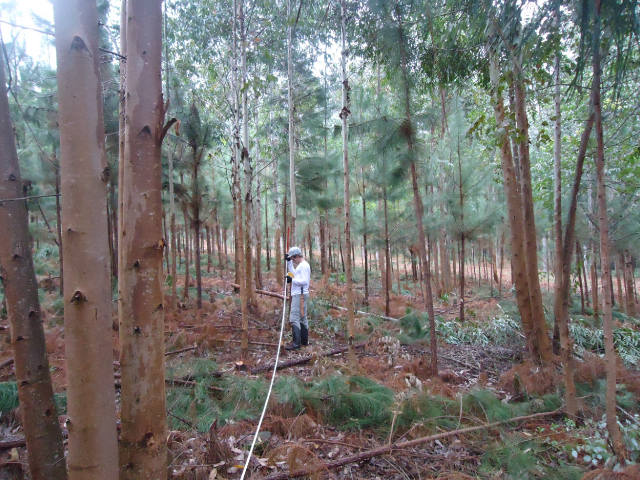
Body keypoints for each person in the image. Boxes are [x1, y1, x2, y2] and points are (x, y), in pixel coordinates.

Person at [284, 246, 310, 350]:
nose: (293, 260)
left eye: (292, 258)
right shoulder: (301, 266)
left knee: (294, 318)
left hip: (300, 294)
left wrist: (292, 280)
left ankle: (296, 344)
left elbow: (304, 281)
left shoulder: (304, 266)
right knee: (302, 318)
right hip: (300, 294)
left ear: (296, 256)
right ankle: (304, 342)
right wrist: (289, 262)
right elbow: (294, 274)